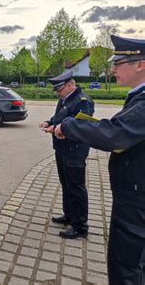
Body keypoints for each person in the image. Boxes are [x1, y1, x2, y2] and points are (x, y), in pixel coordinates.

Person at [52, 35, 145, 284]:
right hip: (133, 191)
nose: (113, 68)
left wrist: (69, 126)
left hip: (136, 199)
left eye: (119, 62)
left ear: (141, 64)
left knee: (125, 267)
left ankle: (79, 224)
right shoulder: (138, 96)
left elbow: (116, 133)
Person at [39, 71, 94, 239]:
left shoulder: (82, 101)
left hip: (75, 150)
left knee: (76, 187)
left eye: (59, 89)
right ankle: (69, 215)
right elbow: (60, 116)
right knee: (66, 184)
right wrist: (50, 122)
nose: (57, 92)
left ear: (70, 85)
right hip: (62, 148)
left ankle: (80, 226)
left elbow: (81, 125)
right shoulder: (65, 98)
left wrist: (57, 129)